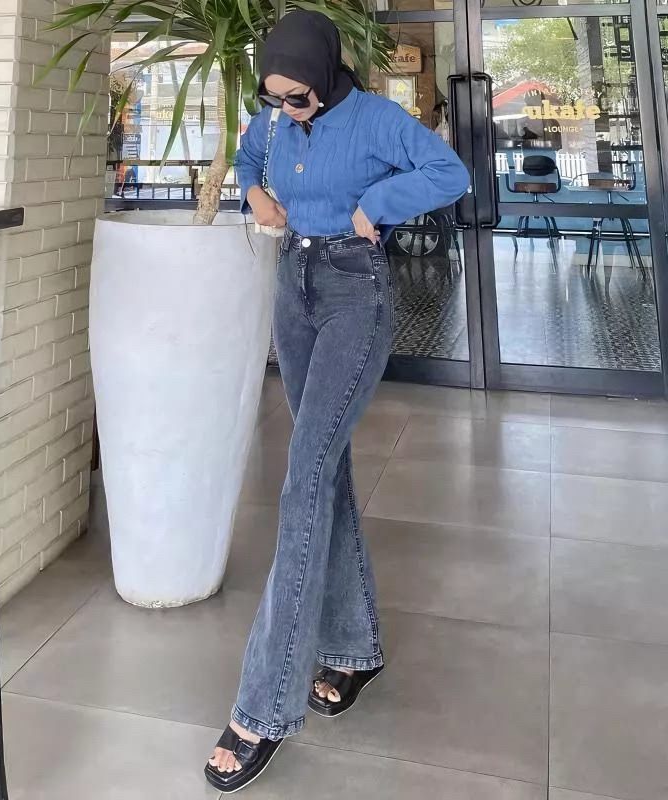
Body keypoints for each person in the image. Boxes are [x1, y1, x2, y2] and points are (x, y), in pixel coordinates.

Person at [205, 10, 470, 793]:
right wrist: (253, 191)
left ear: (325, 76)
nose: (288, 110)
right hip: (294, 288)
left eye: (299, 97)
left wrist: (376, 205)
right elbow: (250, 154)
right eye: (276, 98)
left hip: (356, 293)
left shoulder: (376, 119)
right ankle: (355, 651)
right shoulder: (273, 120)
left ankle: (262, 706)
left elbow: (449, 172)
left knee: (303, 481)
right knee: (324, 472)